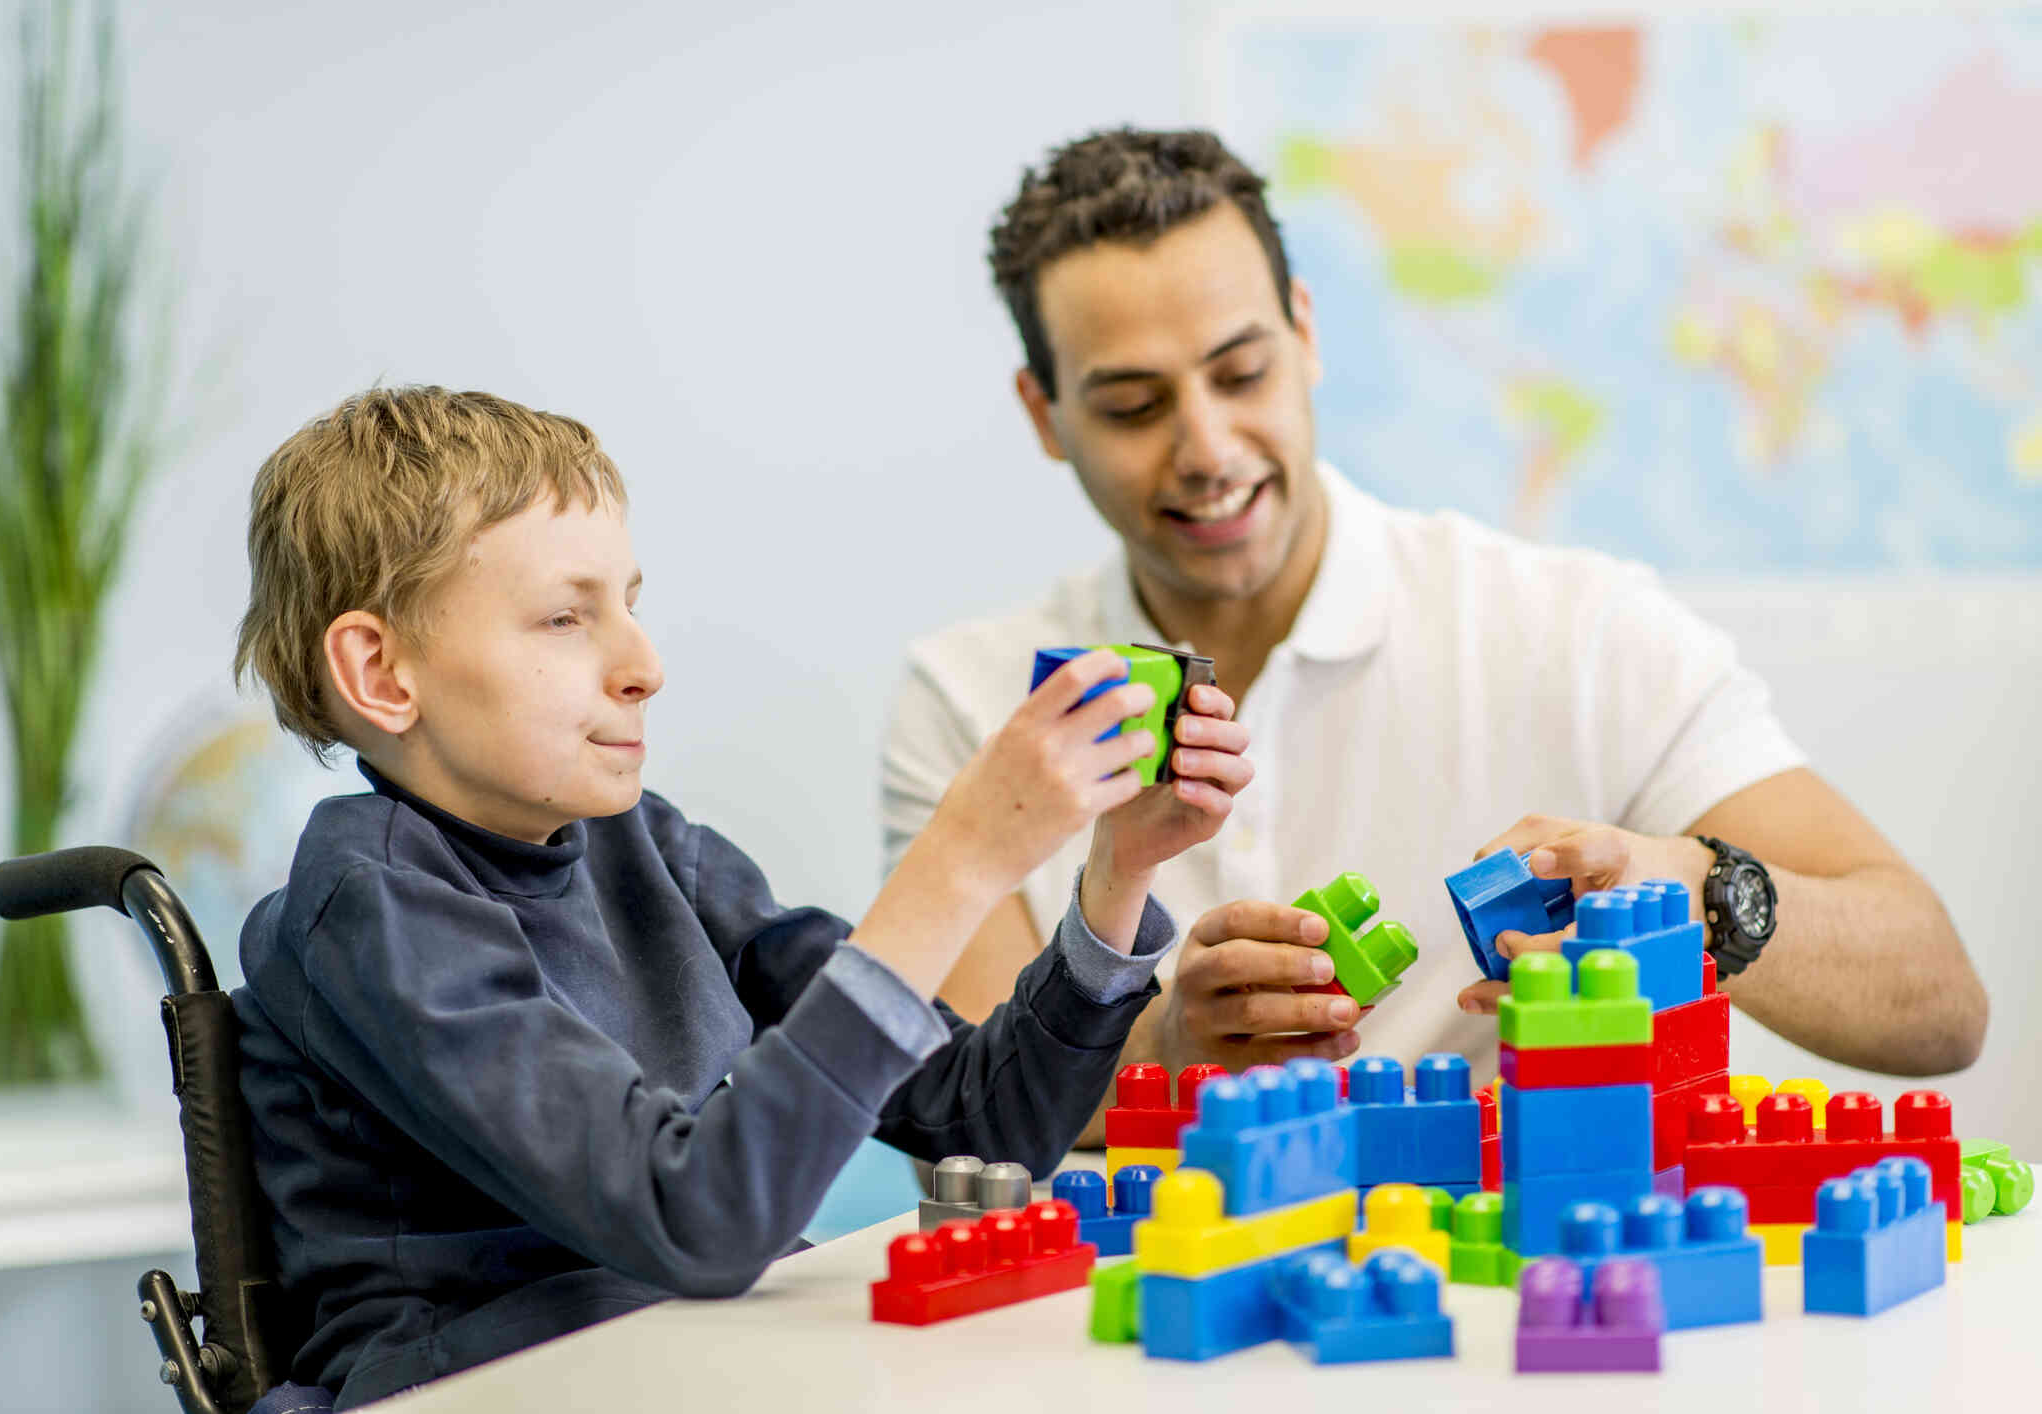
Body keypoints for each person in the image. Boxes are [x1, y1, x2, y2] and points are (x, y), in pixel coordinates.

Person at [881, 128, 1987, 1147]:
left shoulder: (1579, 630)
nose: (1207, 448)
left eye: (1241, 372)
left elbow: (1938, 1002)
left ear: (1305, 334)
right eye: (1131, 405)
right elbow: (959, 1099)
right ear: (1044, 415)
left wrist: (1680, 901)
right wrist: (1164, 1046)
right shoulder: (974, 698)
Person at [229, 386, 1254, 1407]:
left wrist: (1120, 870)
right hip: (482, 1379)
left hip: (686, 1352)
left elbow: (985, 1125)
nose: (644, 666)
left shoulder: (642, 846)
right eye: (563, 617)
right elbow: (695, 1216)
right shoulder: (368, 908)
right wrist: (961, 861)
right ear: (381, 670)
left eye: (630, 603)